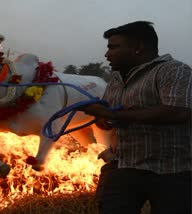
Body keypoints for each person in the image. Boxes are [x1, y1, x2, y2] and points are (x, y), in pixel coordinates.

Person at [79, 21, 192, 214]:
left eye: (113, 47)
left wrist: (112, 114)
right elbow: (108, 116)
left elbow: (178, 111)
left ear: (138, 47)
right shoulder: (116, 78)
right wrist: (103, 118)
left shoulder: (173, 71)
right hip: (123, 165)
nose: (107, 54)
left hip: (170, 171)